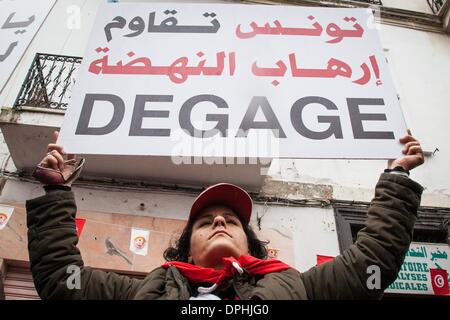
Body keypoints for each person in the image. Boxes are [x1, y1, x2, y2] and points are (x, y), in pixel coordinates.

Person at [26, 130, 424, 299]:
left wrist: (396, 176)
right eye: (206, 221)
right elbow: (62, 281)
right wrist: (57, 191)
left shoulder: (296, 288)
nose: (219, 221)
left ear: (251, 244)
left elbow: (372, 261)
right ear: (186, 251)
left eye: (231, 221)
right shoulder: (145, 291)